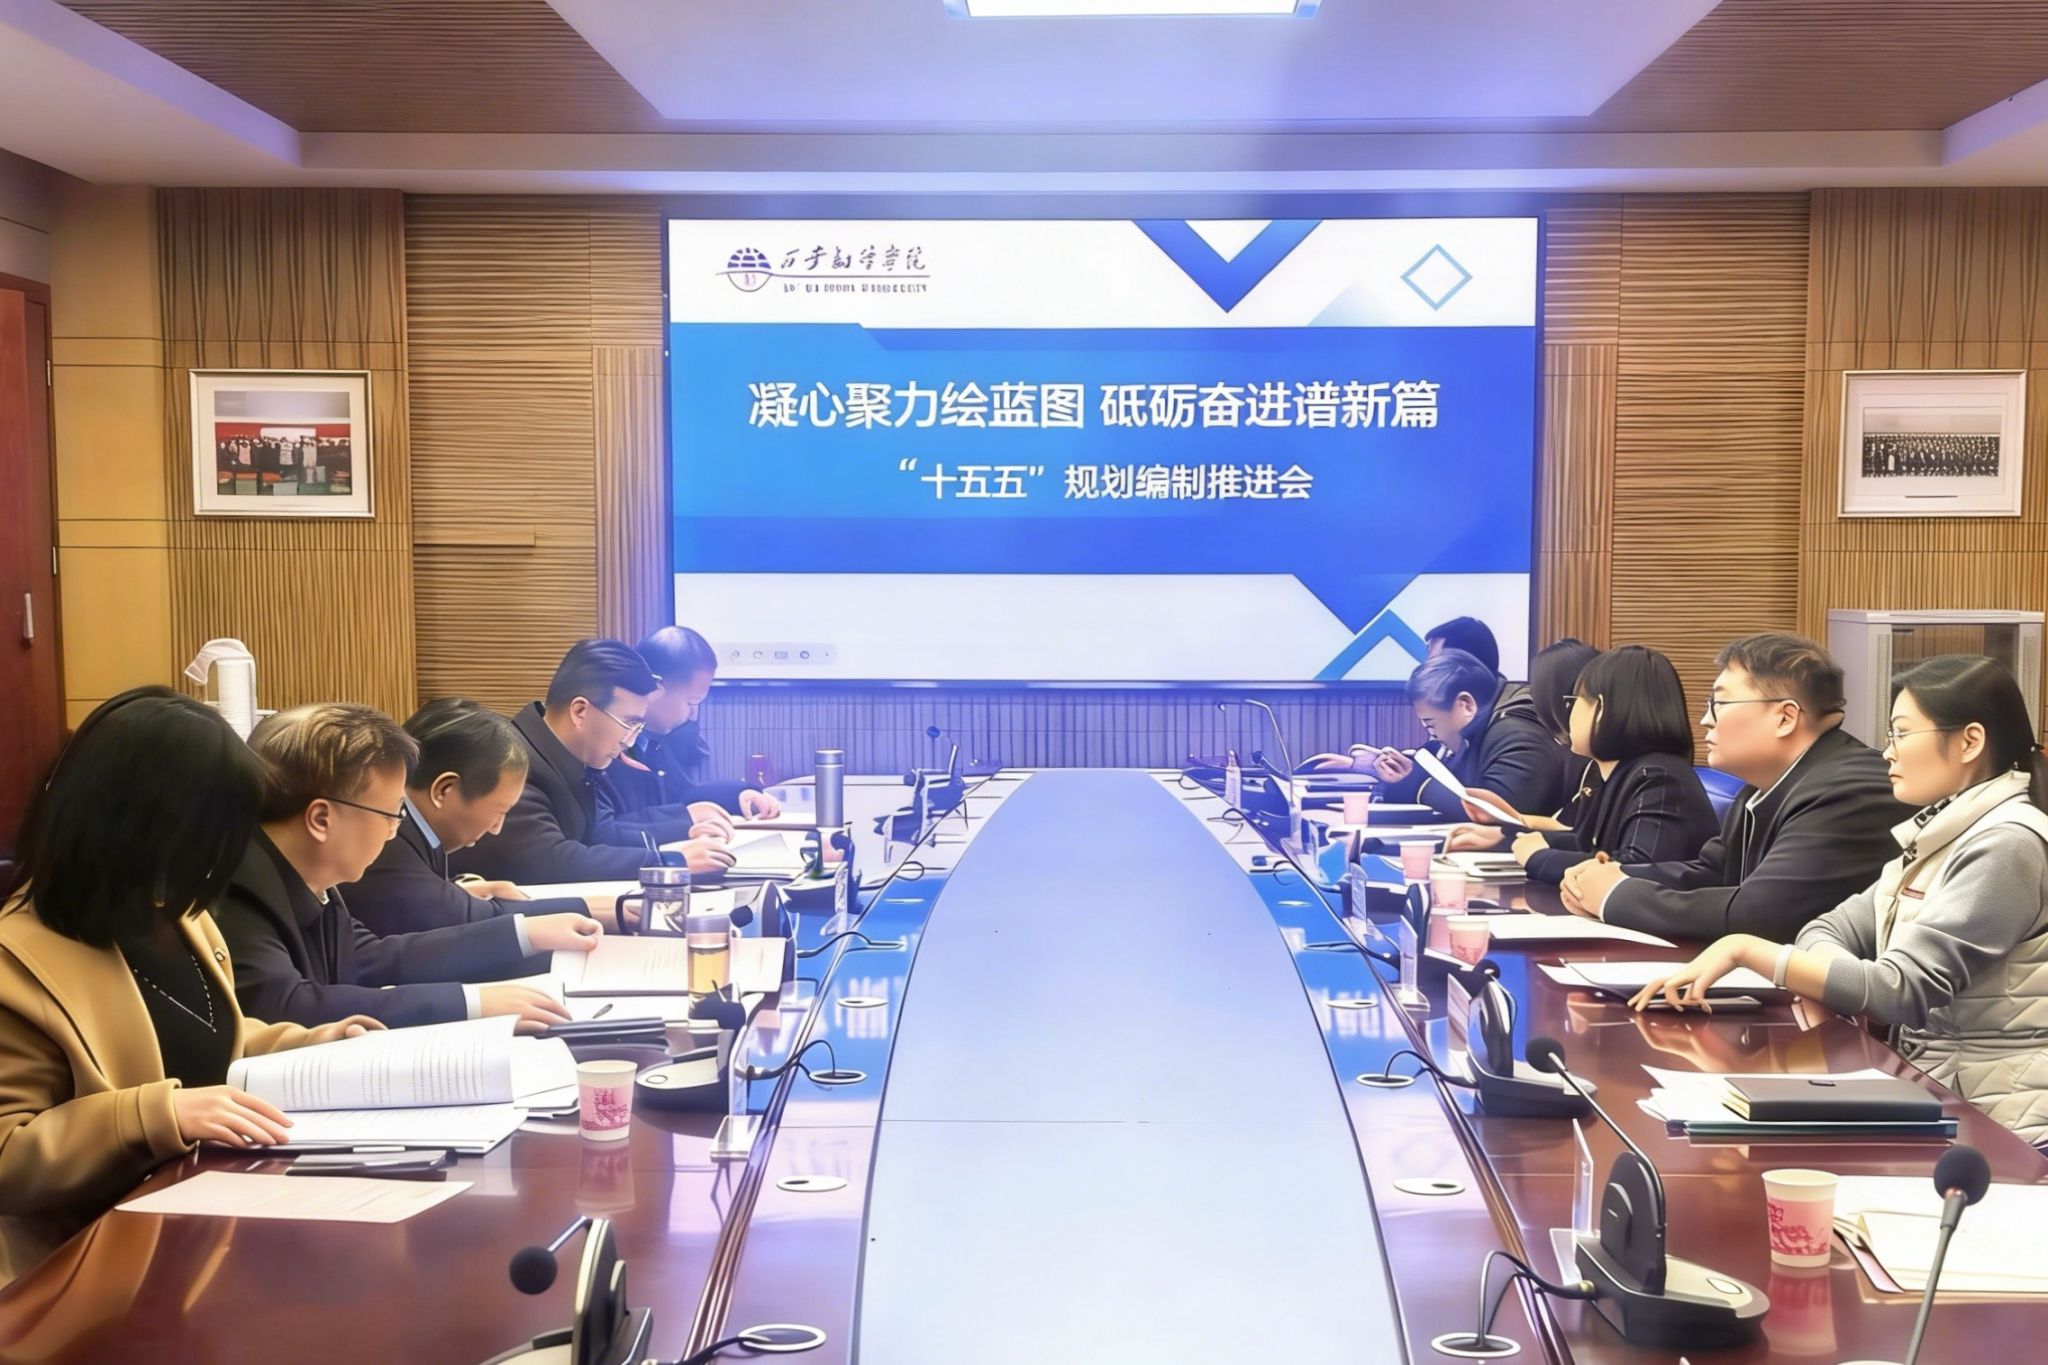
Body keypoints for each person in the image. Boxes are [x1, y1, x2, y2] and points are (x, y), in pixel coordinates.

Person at [0, 689, 383, 1277]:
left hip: (199, 1226)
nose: (230, 857)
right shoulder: (17, 960)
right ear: (149, 828)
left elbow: (210, 1037)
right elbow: (9, 1155)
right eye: (218, 834)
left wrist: (318, 1043)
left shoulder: (178, 912)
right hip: (86, 1264)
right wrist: (159, 1115)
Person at [1632, 656, 2048, 1147]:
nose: (1887, 753)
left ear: (1970, 741)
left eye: (1901, 733)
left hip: (2003, 1124)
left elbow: (1898, 990)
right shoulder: (1943, 834)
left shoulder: (2007, 845)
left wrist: (1747, 950)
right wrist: (1834, 985)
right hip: (1936, 1093)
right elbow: (1826, 928)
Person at [213, 703, 600, 1032]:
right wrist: (471, 1004)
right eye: (391, 813)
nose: (394, 830)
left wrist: (523, 938)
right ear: (321, 819)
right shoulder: (236, 888)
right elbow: (289, 1006)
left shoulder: (308, 874)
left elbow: (368, 958)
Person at [1561, 632, 1905, 942]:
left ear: (1785, 717)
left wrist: (1613, 895)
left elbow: (1757, 915)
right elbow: (1712, 872)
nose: (1705, 719)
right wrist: (1612, 875)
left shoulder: (1849, 790)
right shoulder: (1764, 785)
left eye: (1719, 704)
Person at [451, 639, 735, 886]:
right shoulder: (511, 760)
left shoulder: (571, 758)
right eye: (628, 723)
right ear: (580, 711)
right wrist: (666, 862)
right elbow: (549, 861)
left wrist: (680, 833)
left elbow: (600, 834)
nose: (630, 741)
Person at [344, 699, 617, 937]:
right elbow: (462, 918)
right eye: (499, 812)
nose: (496, 829)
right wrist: (597, 910)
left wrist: (458, 888)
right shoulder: (386, 841)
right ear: (444, 790)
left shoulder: (413, 831)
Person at [1508, 646, 1718, 885]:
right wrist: (1514, 839)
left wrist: (1539, 858)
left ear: (1600, 708)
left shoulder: (1658, 776)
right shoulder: (1618, 771)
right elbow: (1585, 842)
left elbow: (1633, 868)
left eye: (1574, 702)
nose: (1570, 713)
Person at [602, 626, 782, 842]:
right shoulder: (604, 746)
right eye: (691, 702)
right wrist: (683, 820)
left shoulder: (653, 740)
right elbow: (601, 832)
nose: (693, 714)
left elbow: (683, 794)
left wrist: (739, 794)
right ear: (655, 688)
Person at [1370, 649, 1562, 821]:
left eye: (1431, 725)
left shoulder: (1518, 737)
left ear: (1466, 705)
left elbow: (1494, 815)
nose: (1432, 736)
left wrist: (1416, 783)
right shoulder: (1481, 729)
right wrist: (1404, 777)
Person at [1446, 637, 1601, 850]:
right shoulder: (1587, 757)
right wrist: (1508, 819)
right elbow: (1566, 827)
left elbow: (1595, 844)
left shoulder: (1611, 763)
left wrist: (1509, 837)